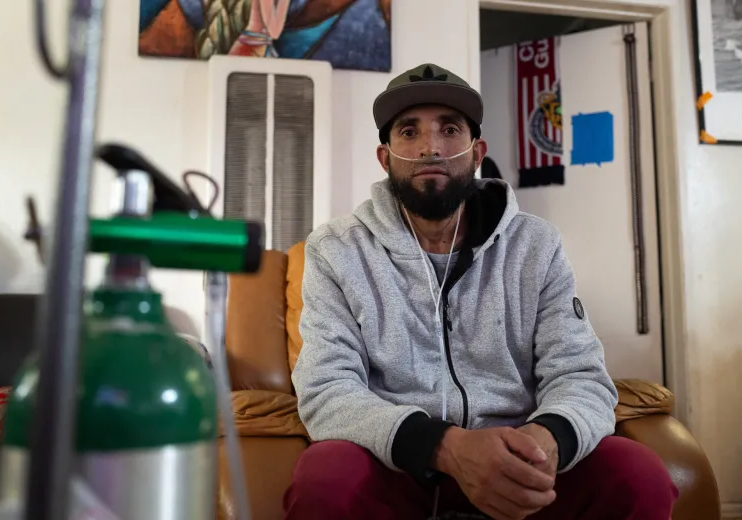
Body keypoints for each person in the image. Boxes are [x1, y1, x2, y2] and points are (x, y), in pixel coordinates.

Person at [285, 63, 678, 520]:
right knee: (325, 476)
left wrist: (544, 442)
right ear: (385, 156)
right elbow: (326, 389)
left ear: (476, 152)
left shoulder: (536, 245)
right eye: (409, 131)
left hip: (522, 459)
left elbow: (581, 375)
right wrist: (446, 448)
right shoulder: (336, 249)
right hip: (403, 466)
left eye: (450, 129)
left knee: (637, 473)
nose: (430, 147)